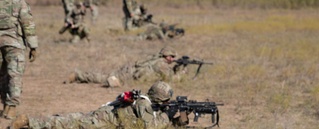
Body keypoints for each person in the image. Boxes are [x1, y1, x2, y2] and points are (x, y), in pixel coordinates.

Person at [10, 81, 189, 129]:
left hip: (108, 119)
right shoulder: (144, 104)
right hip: (103, 120)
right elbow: (151, 127)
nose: (167, 104)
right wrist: (168, 116)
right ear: (158, 98)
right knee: (67, 123)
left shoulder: (149, 103)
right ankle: (28, 121)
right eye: (166, 101)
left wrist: (178, 120)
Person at [0, 0, 38, 120]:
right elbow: (27, 24)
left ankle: (5, 106)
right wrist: (33, 46)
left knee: (1, 76)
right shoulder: (18, 1)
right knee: (14, 75)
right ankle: (11, 108)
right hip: (13, 43)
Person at [66, 46, 177, 87]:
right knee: (102, 78)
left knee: (103, 75)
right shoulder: (161, 64)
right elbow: (170, 78)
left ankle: (79, 75)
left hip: (129, 69)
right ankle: (78, 75)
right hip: (129, 76)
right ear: (166, 56)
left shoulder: (155, 58)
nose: (173, 59)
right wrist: (182, 71)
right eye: (172, 56)